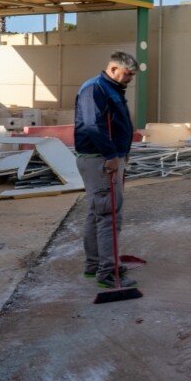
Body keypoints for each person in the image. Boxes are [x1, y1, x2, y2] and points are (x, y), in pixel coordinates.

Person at [74, 51, 139, 289]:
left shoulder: (109, 88)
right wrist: (112, 155)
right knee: (109, 215)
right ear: (113, 69)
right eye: (127, 74)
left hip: (104, 158)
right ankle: (108, 272)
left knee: (97, 213)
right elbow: (94, 125)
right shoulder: (96, 89)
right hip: (100, 160)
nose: (130, 79)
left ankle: (94, 266)